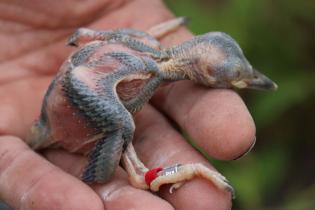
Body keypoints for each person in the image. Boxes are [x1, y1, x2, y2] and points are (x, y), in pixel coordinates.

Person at [0, 0, 256, 209]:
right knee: (123, 126)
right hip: (59, 121)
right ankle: (152, 173)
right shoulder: (146, 66)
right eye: (234, 78)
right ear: (208, 74)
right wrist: (117, 121)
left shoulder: (150, 49)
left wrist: (101, 38)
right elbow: (80, 79)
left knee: (121, 122)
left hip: (69, 97)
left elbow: (100, 45)